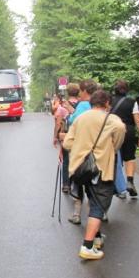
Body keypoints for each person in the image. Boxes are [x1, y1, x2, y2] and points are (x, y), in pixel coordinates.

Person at [63, 90, 126, 260]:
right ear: (106, 103)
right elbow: (120, 132)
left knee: (92, 199)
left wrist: (81, 147)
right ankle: (87, 245)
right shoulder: (111, 119)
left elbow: (68, 142)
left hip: (81, 168)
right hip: (101, 167)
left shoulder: (80, 118)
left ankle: (97, 238)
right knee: (99, 205)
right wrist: (112, 147)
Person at [60, 79, 98, 224]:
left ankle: (77, 214)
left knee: (79, 181)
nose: (80, 93)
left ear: (85, 91)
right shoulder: (98, 105)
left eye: (81, 91)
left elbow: (74, 124)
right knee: (95, 183)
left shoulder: (82, 105)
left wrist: (70, 113)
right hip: (97, 148)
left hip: (81, 149)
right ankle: (99, 213)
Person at [111, 80, 139, 198]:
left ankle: (118, 187)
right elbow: (137, 119)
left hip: (113, 132)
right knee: (129, 157)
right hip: (128, 132)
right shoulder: (132, 102)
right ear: (127, 90)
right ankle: (130, 181)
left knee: (115, 159)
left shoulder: (109, 101)